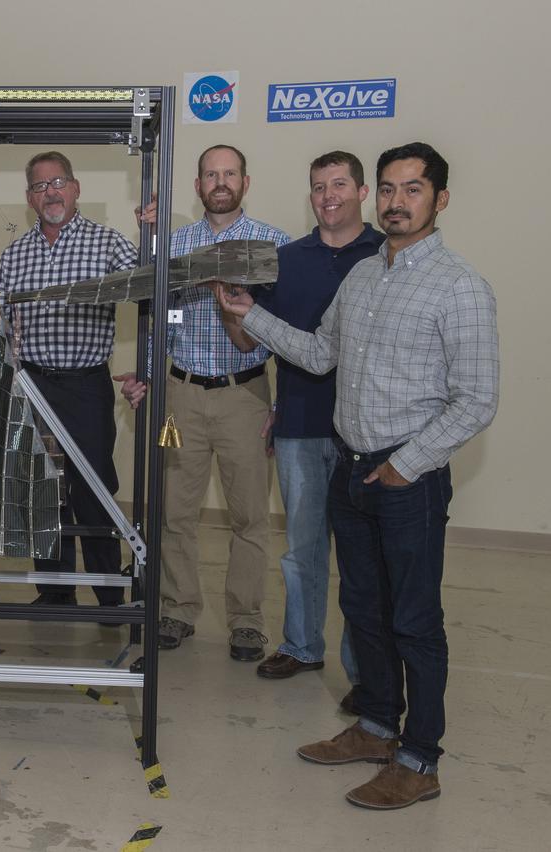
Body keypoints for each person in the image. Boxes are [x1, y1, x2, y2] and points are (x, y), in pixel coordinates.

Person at [216, 142, 499, 809]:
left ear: (440, 200)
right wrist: (247, 313)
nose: (399, 202)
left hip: (409, 478)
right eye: (392, 189)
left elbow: (478, 398)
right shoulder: (364, 278)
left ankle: (419, 758)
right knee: (363, 609)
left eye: (414, 190)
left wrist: (406, 464)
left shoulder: (459, 285)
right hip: (351, 465)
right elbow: (318, 355)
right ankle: (375, 727)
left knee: (414, 620)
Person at [118, 145, 289, 661]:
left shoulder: (273, 246)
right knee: (175, 513)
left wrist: (285, 403)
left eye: (229, 173)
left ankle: (246, 621)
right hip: (182, 398)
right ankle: (176, 608)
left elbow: (292, 328)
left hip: (247, 396)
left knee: (250, 518)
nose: (220, 182)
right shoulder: (175, 246)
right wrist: (150, 377)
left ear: (245, 180)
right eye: (210, 174)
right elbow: (154, 315)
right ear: (197, 186)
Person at [249, 151, 380, 690]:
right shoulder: (287, 258)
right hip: (301, 424)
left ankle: (364, 671)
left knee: (360, 557)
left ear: (363, 192)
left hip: (366, 433)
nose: (329, 195)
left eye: (340, 184)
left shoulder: (385, 256)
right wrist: (226, 299)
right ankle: (301, 646)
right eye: (319, 186)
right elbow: (257, 333)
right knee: (302, 549)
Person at [0, 151, 137, 611]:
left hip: (85, 387)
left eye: (58, 183)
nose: (50, 192)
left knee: (94, 491)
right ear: (29, 198)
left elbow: (150, 287)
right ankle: (54, 593)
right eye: (40, 186)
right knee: (43, 489)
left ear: (75, 189)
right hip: (32, 387)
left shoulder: (109, 244)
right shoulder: (14, 255)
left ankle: (110, 598)